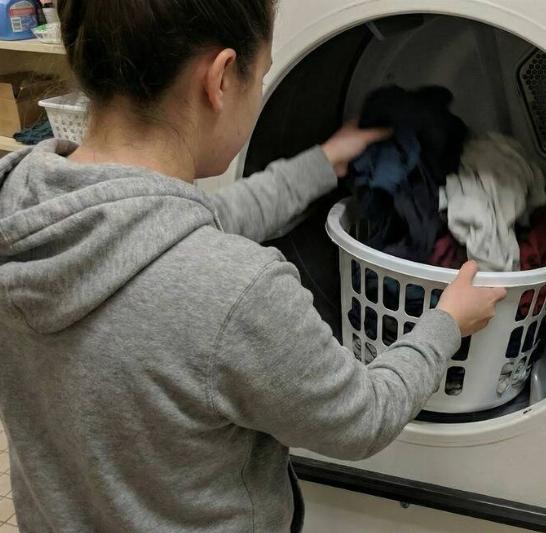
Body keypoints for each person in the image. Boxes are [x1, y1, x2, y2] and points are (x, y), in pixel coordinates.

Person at [0, 1, 506, 532]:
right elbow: (363, 418)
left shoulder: (18, 209)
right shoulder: (240, 292)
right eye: (261, 74)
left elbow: (188, 222)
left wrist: (326, 159)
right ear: (220, 80)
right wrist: (447, 321)